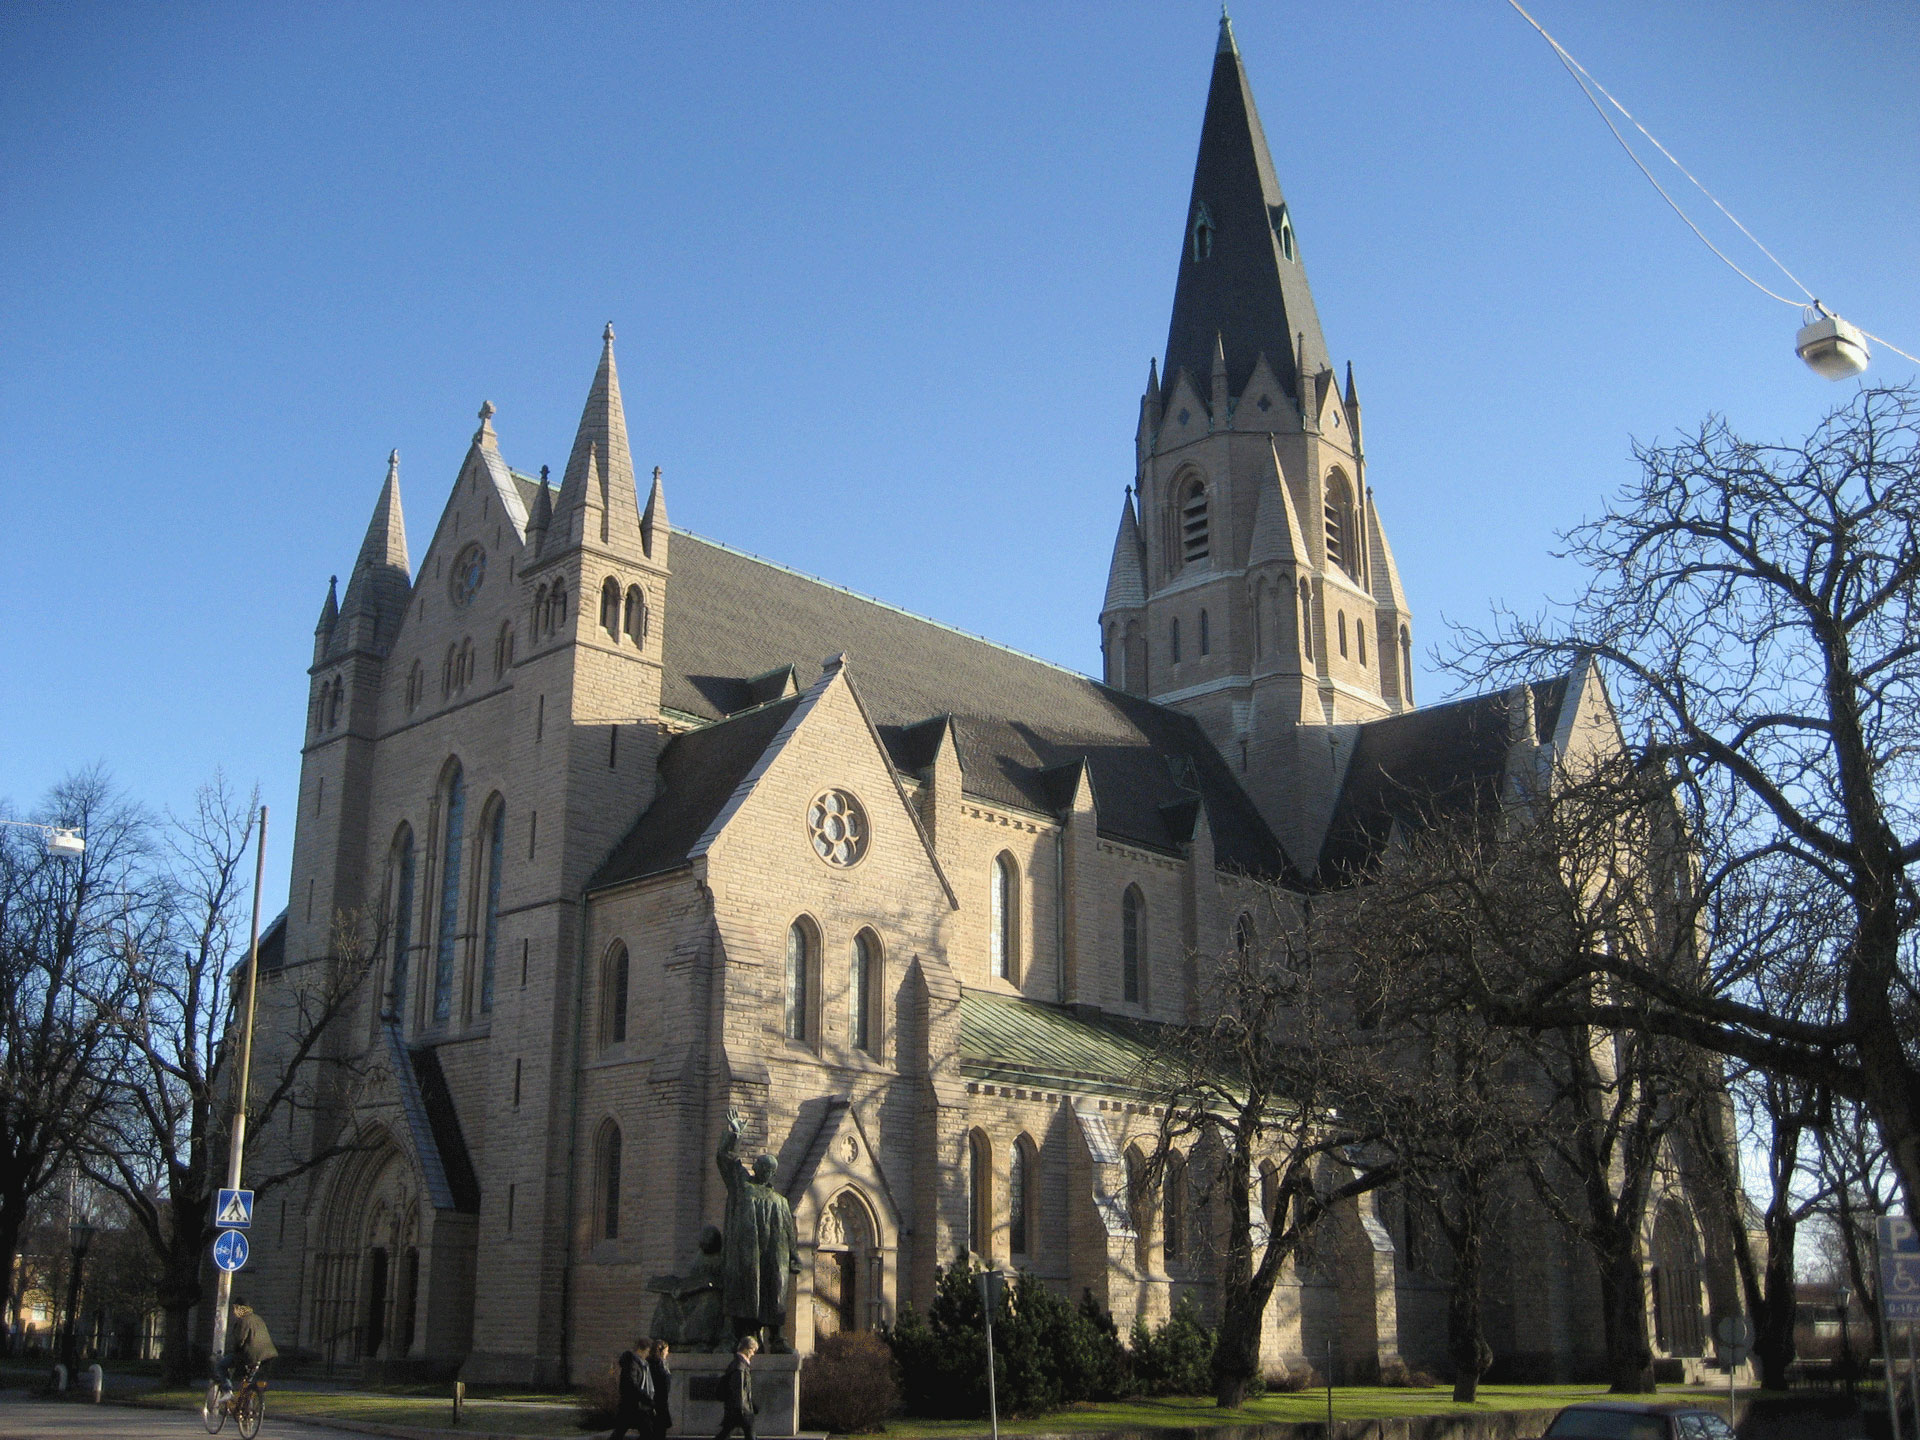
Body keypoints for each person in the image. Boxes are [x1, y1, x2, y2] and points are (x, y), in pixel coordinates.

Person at [215, 1301, 278, 1393]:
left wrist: (235, 1351)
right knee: (248, 1381)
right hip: (267, 1355)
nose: (233, 1312)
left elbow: (240, 1340)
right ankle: (249, 1395)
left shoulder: (243, 1320)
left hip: (251, 1355)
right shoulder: (258, 1318)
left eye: (235, 1309)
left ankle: (227, 1390)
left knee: (221, 1366)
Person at [608, 1334, 657, 1440]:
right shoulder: (632, 1363)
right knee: (646, 1433)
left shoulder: (641, 1364)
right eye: (647, 1351)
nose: (648, 1354)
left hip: (635, 1405)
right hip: (633, 1405)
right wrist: (646, 1398)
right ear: (641, 1349)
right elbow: (632, 1384)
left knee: (622, 1432)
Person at [713, 1334, 757, 1440]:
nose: (753, 1354)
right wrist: (743, 1409)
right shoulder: (740, 1366)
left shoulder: (738, 1364)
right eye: (753, 1350)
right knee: (750, 1435)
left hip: (736, 1409)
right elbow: (739, 1390)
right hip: (741, 1410)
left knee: (725, 1434)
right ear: (747, 1349)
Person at [646, 1339, 673, 1440]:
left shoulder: (659, 1364)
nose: (667, 1353)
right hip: (657, 1403)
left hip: (659, 1403)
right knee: (657, 1432)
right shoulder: (656, 1365)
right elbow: (661, 1385)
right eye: (666, 1351)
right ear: (661, 1351)